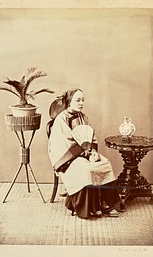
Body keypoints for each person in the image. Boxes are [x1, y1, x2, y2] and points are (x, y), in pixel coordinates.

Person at [48, 88, 120, 219]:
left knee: (104, 163)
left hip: (85, 153)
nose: (81, 103)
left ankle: (105, 204)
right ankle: (89, 207)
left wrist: (93, 152)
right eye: (78, 100)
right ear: (69, 101)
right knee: (85, 168)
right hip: (67, 157)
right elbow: (64, 143)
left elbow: (90, 137)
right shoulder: (61, 119)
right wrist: (83, 154)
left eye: (83, 100)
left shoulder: (83, 117)